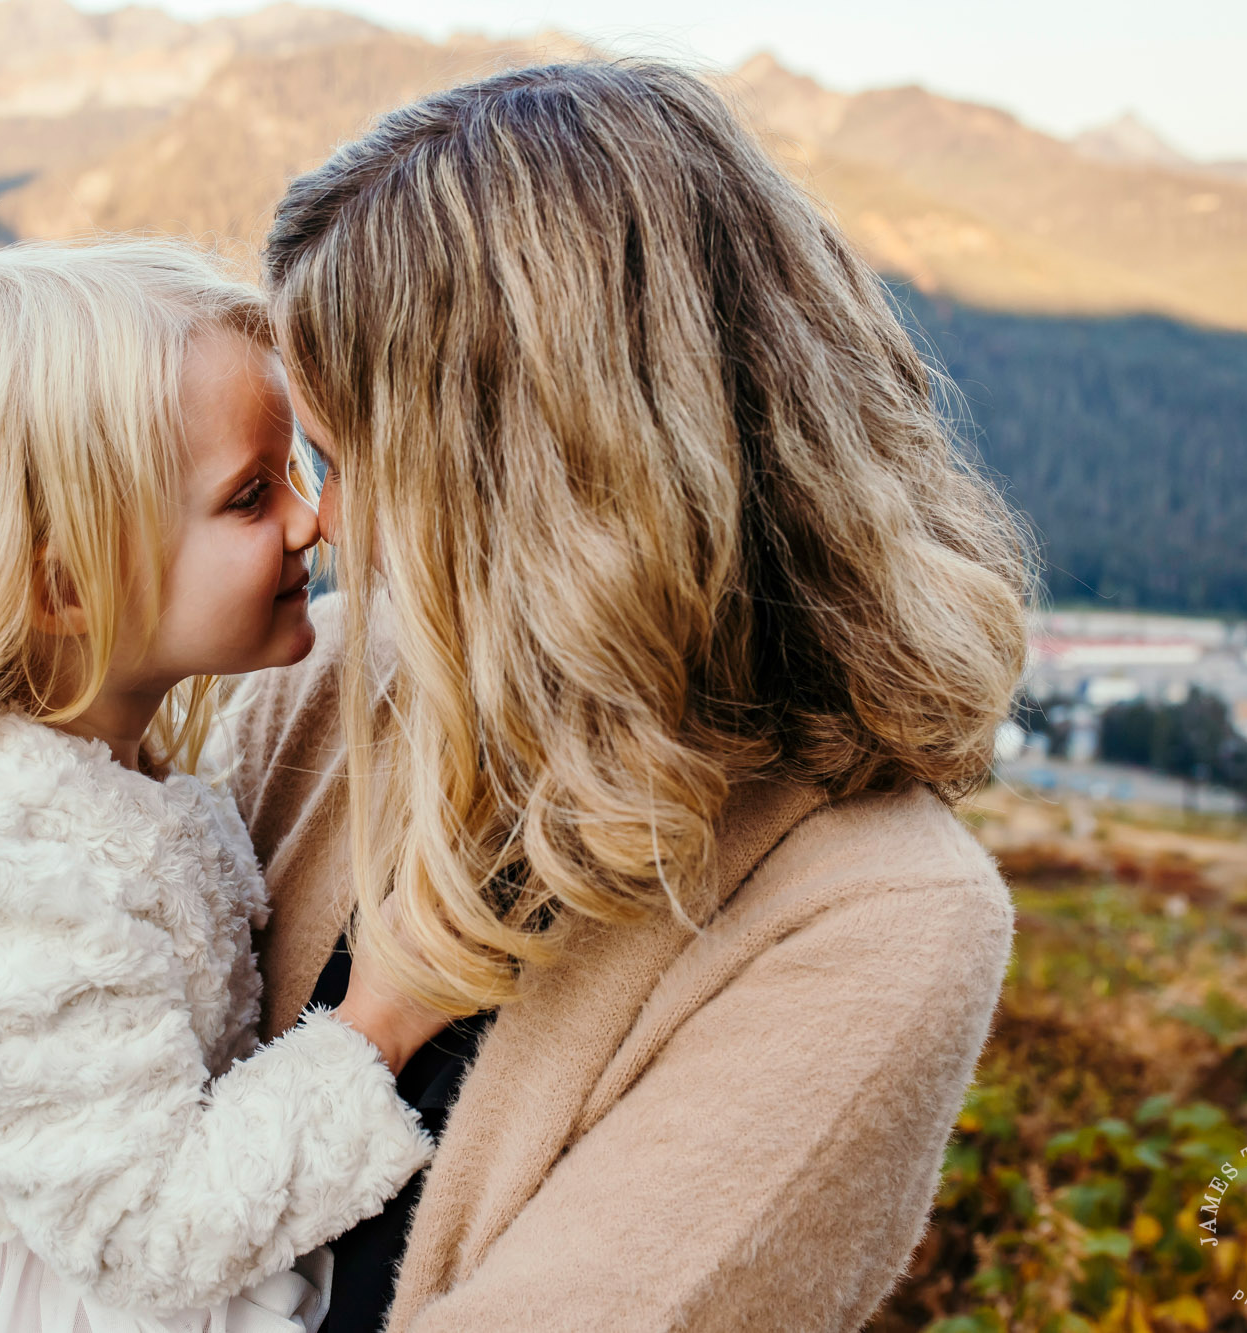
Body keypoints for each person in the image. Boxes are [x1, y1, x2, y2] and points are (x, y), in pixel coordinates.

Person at [227, 61, 1032, 1330]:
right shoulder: (323, 685)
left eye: (351, 459)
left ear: (534, 485)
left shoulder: (872, 919)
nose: (325, 524)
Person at [0, 240, 447, 1333]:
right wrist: (382, 1020)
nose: (311, 521)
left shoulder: (88, 778)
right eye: (251, 495)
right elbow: (150, 1236)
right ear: (66, 582)